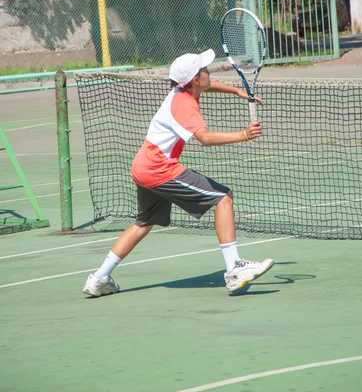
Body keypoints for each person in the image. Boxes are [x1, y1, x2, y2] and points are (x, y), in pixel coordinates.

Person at [83, 49, 274, 297]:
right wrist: (243, 135)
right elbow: (204, 138)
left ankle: (99, 278)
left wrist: (236, 91)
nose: (208, 72)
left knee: (143, 223)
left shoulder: (182, 91)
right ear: (195, 79)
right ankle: (234, 269)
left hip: (142, 165)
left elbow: (208, 85)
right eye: (204, 70)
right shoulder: (185, 105)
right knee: (223, 197)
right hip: (159, 168)